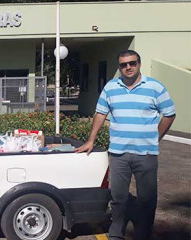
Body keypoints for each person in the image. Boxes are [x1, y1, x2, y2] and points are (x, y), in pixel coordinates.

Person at [74, 50, 176, 240]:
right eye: (123, 64)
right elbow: (100, 114)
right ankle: (116, 234)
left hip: (146, 154)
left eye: (132, 63)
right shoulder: (111, 87)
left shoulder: (155, 87)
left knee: (147, 200)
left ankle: (143, 234)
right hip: (119, 154)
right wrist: (90, 141)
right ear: (119, 67)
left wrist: (155, 137)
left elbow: (169, 114)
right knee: (118, 198)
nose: (128, 67)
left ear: (139, 64)